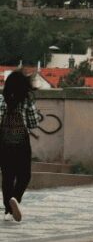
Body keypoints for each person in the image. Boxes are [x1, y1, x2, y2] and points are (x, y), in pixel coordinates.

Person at [1, 70, 43, 222]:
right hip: (21, 143)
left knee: (7, 177)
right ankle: (15, 199)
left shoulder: (1, 100)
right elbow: (33, 123)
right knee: (24, 175)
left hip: (4, 144)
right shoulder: (27, 101)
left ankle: (7, 211)